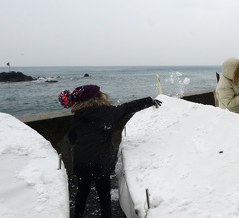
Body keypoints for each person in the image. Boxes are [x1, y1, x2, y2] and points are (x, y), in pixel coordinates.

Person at [58, 84, 162, 218]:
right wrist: (149, 101)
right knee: (104, 196)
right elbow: (128, 107)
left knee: (82, 192)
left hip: (82, 163)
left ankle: (78, 215)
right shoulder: (108, 112)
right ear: (96, 97)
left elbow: (72, 138)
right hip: (100, 163)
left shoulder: (78, 116)